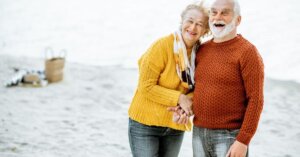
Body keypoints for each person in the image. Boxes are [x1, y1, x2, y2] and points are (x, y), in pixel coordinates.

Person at [128, 2, 210, 157]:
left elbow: (199, 88)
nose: (193, 28)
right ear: (182, 20)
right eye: (190, 21)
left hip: (175, 124)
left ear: (206, 30)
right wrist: (179, 98)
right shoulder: (162, 46)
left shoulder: (202, 54)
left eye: (199, 24)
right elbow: (146, 86)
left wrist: (186, 106)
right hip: (145, 123)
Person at [191, 0, 264, 156]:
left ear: (237, 20)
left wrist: (243, 140)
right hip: (198, 133)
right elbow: (195, 89)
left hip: (230, 136)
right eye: (214, 12)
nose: (218, 17)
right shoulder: (202, 49)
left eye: (225, 12)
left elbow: (256, 99)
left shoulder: (247, 52)